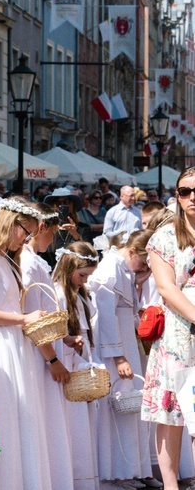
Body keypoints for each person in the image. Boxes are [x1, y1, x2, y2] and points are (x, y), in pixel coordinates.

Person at [0, 198, 53, 490]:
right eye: (25, 230)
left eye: (31, 233)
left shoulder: (8, 260)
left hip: (11, 344)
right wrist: (23, 319)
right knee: (3, 416)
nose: (27, 239)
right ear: (9, 223)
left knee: (21, 418)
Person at [141, 168, 195, 490]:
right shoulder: (164, 237)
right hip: (177, 337)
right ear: (177, 196)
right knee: (171, 415)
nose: (191, 197)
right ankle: (171, 486)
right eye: (184, 191)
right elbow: (166, 288)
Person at [89, 229, 154, 486]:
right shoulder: (110, 268)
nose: (143, 266)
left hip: (126, 339)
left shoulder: (124, 268)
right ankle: (117, 471)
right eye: (142, 261)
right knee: (119, 402)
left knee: (132, 402)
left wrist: (139, 282)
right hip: (115, 345)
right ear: (130, 251)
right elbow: (105, 315)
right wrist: (118, 357)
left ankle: (135, 468)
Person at [18, 203, 75, 490]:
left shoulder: (36, 261)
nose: (52, 240)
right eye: (52, 233)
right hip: (39, 352)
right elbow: (32, 318)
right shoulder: (28, 264)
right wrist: (52, 360)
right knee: (44, 416)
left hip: (49, 346)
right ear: (41, 229)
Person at [52, 241, 101, 490]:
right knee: (73, 423)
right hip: (69, 358)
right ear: (69, 266)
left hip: (82, 356)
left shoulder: (79, 292)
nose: (83, 280)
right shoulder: (58, 293)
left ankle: (85, 478)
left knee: (85, 423)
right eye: (81, 274)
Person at [43, 187, 92, 268]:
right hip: (50, 272)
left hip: (74, 273)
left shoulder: (83, 228)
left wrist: (76, 235)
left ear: (72, 205)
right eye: (58, 202)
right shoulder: (46, 228)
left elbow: (89, 254)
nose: (62, 205)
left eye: (66, 201)